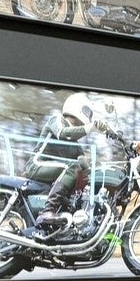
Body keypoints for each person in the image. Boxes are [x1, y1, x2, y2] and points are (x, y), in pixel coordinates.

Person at [23, 91, 121, 232]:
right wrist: (91, 127)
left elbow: (84, 165)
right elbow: (63, 133)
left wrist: (101, 176)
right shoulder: (57, 120)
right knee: (72, 167)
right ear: (76, 106)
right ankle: (47, 211)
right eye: (87, 111)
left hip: (54, 172)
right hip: (36, 165)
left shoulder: (74, 143)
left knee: (79, 177)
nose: (88, 116)